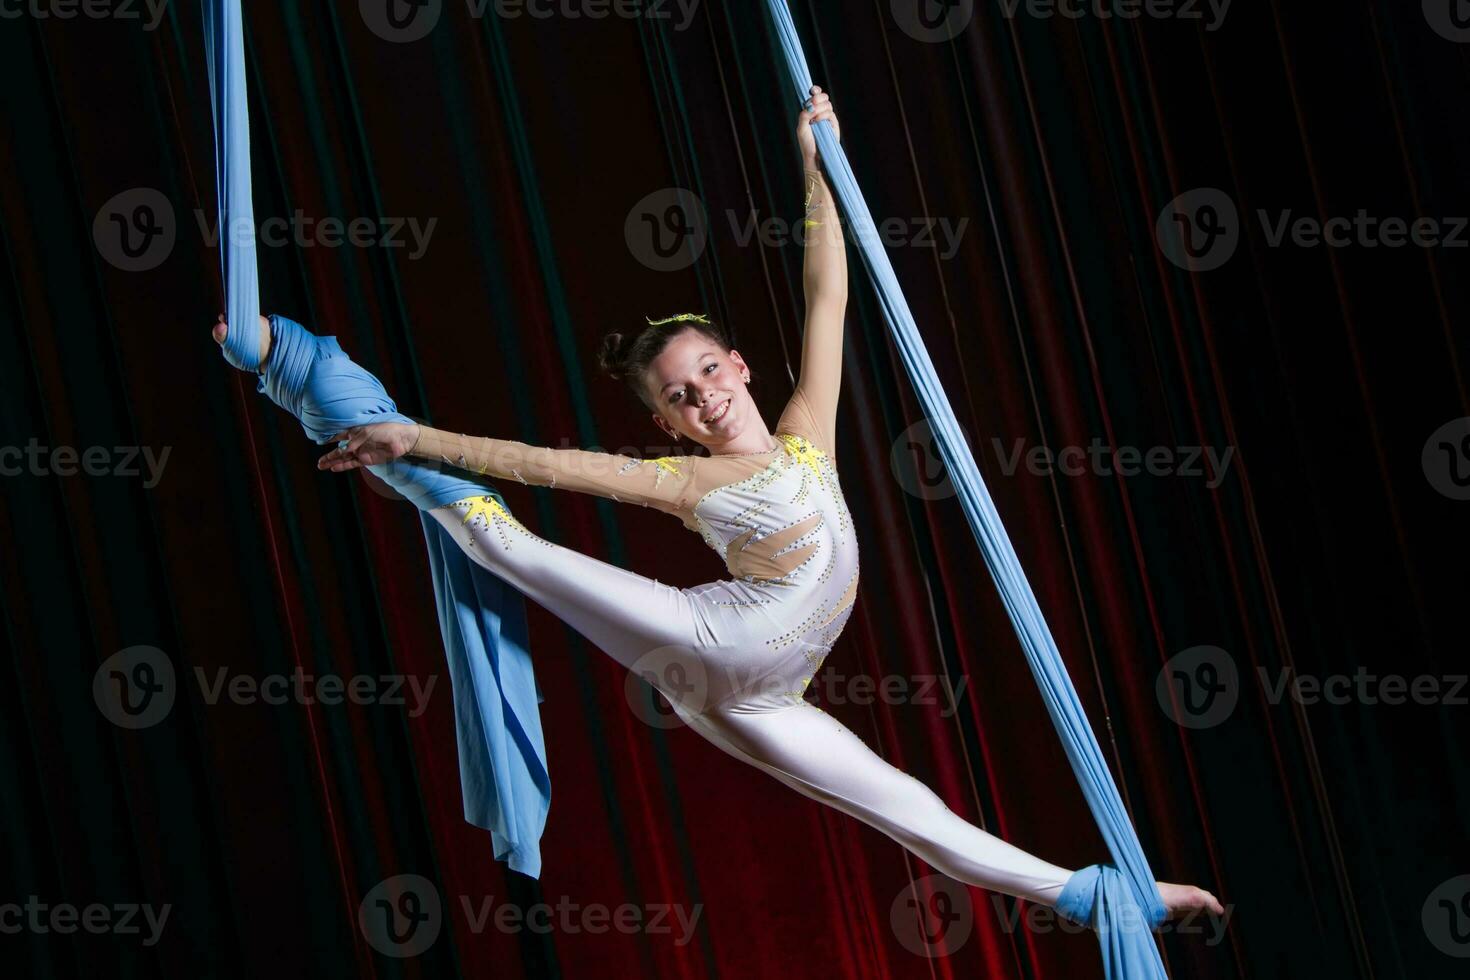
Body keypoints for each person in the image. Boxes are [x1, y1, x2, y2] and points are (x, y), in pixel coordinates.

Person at [214, 86, 1222, 921]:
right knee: (506, 544)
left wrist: (813, 160)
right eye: (679, 398)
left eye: (707, 371)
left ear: (738, 362)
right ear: (672, 423)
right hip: (707, 639)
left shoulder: (805, 434)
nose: (703, 396)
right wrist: (422, 437)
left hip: (763, 697)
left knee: (924, 817)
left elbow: (826, 294)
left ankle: (1116, 896)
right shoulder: (689, 480)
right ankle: (313, 379)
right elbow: (540, 461)